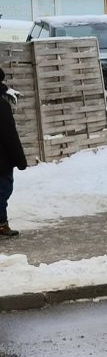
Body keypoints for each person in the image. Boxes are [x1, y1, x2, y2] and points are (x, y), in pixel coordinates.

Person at [0, 68, 28, 238]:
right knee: (3, 190)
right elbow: (9, 134)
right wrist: (20, 160)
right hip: (2, 160)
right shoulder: (2, 105)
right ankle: (2, 224)